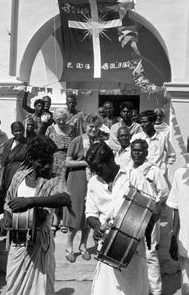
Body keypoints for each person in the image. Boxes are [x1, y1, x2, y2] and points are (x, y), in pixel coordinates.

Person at [85, 141, 157, 295]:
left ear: (111, 160)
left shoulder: (133, 176)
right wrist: (97, 227)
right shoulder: (93, 183)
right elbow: (90, 214)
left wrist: (143, 227)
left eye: (99, 168)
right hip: (106, 248)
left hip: (133, 249)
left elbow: (153, 208)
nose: (97, 173)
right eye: (94, 170)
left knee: (133, 290)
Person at [3, 136, 71, 295]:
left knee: (39, 287)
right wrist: (7, 215)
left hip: (40, 240)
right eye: (42, 162)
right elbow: (8, 201)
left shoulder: (55, 179)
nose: (48, 166)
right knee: (14, 285)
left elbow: (65, 198)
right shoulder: (19, 177)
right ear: (31, 160)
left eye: (50, 161)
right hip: (17, 241)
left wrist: (31, 201)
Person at [128, 139, 169, 295]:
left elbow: (163, 192)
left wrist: (155, 205)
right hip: (132, 215)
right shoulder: (127, 169)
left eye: (140, 150)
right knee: (134, 253)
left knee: (150, 253)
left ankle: (156, 290)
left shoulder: (153, 170)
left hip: (149, 215)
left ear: (146, 152)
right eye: (134, 150)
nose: (137, 153)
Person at [63, 113, 103, 263]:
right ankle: (69, 247)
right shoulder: (77, 141)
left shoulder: (99, 142)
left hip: (94, 180)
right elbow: (68, 162)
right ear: (85, 126)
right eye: (90, 126)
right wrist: (85, 163)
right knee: (76, 213)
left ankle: (83, 246)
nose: (93, 129)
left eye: (96, 127)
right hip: (77, 180)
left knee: (90, 214)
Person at [45, 107, 77, 234]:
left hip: (70, 163)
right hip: (54, 163)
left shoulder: (73, 130)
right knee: (55, 190)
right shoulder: (50, 129)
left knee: (67, 190)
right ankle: (54, 219)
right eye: (58, 120)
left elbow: (78, 144)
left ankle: (65, 220)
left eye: (63, 119)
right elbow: (46, 145)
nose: (61, 122)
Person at [131, 110, 176, 176]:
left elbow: (172, 155)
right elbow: (130, 156)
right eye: (141, 122)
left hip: (157, 176)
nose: (142, 125)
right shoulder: (136, 137)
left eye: (144, 122)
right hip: (140, 175)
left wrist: (164, 168)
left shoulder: (162, 138)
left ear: (152, 122)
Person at [166, 166, 189, 295]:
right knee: (187, 286)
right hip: (186, 241)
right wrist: (174, 237)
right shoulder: (180, 174)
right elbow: (176, 208)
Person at [0, 122, 29, 195]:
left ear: (23, 130)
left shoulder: (28, 143)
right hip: (8, 174)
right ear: (12, 132)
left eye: (20, 130)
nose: (18, 133)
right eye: (16, 131)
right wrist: (0, 181)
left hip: (21, 175)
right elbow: (3, 162)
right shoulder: (8, 143)